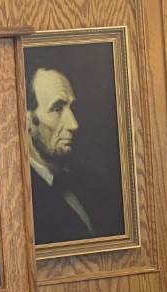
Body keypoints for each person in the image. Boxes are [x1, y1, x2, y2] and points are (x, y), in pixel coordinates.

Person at [25, 58, 121, 246]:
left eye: (72, 108)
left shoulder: (85, 183)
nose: (73, 125)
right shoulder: (23, 201)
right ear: (27, 119)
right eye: (57, 109)